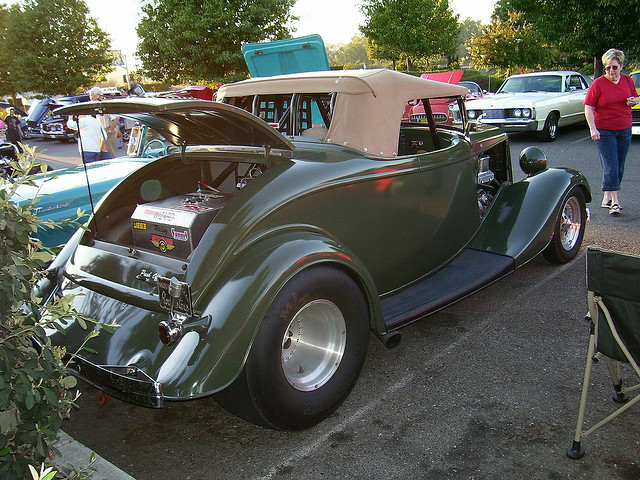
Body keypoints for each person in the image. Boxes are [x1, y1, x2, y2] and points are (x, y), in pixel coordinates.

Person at [584, 48, 640, 216]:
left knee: (619, 166)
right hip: (604, 130)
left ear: (621, 66)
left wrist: (633, 100)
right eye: (607, 68)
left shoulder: (628, 81)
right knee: (611, 165)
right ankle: (615, 202)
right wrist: (592, 128)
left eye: (614, 67)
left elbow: (635, 97)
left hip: (624, 129)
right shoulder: (598, 83)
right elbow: (588, 107)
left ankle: (607, 195)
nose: (610, 71)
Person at [89, 86, 120, 156]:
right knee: (103, 152)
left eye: (91, 95)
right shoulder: (97, 105)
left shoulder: (105, 104)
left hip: (108, 129)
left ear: (98, 95)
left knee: (110, 152)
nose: (90, 98)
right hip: (102, 130)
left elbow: (116, 118)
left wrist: (110, 130)